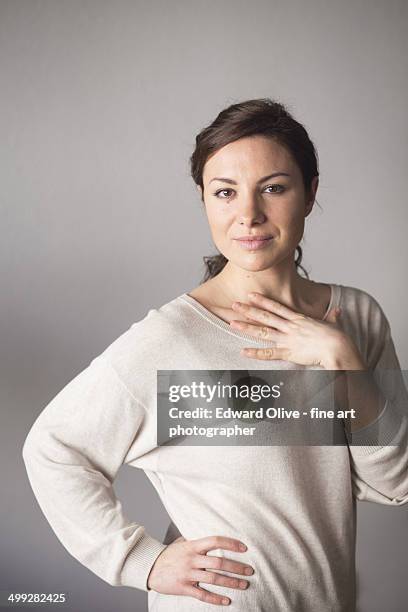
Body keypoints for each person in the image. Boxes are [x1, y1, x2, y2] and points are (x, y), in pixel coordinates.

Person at [22, 98, 408, 611]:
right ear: (205, 200)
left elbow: (393, 484)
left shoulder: (356, 318)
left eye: (273, 188)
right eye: (225, 192)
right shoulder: (171, 339)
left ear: (310, 193)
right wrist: (144, 562)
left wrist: (344, 364)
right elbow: (54, 449)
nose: (248, 214)